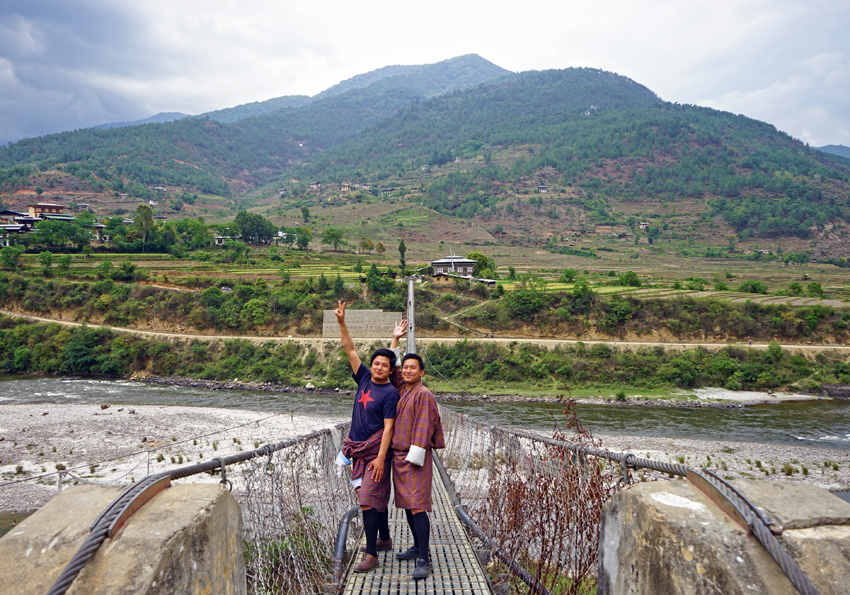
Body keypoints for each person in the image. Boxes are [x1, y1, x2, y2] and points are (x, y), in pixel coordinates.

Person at [335, 301, 399, 573]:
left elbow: (388, 429)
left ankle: (372, 554)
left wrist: (382, 458)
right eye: (375, 363)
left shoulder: (391, 393)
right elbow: (349, 349)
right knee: (373, 499)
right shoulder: (362, 377)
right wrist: (341, 322)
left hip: (375, 451)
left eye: (384, 365)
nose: (378, 367)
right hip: (356, 450)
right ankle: (384, 538)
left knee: (368, 501)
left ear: (390, 370)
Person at [388, 319, 445, 580]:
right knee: (408, 504)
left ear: (422, 372)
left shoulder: (424, 394)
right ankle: (417, 547)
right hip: (399, 455)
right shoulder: (404, 389)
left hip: (414, 458)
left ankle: (425, 558)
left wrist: (415, 457)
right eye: (406, 368)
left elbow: (424, 427)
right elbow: (393, 371)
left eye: (413, 368)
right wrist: (395, 341)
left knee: (417, 505)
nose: (407, 371)